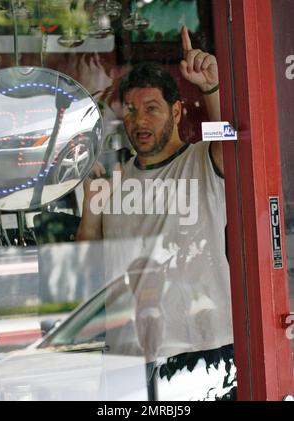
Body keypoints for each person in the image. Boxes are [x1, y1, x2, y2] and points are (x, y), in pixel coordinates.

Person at [77, 26, 236, 400]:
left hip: (202, 349)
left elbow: (233, 142)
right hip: (128, 356)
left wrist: (211, 88)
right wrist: (88, 206)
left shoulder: (202, 160)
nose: (139, 121)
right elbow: (85, 263)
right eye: (131, 110)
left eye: (151, 108)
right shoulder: (112, 179)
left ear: (177, 110)